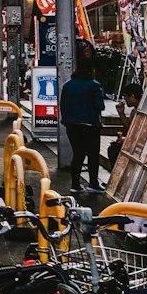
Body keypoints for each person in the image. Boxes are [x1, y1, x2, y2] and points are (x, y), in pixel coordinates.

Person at [60, 48, 106, 193]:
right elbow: (100, 106)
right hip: (90, 125)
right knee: (93, 155)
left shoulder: (68, 85)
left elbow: (63, 104)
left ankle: (75, 184)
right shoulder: (94, 85)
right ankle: (93, 184)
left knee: (78, 154)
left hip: (72, 125)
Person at [107, 82, 141, 167]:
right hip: (134, 141)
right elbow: (130, 127)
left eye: (125, 96)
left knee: (115, 150)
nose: (124, 99)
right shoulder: (134, 111)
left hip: (139, 143)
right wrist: (121, 113)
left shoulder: (142, 111)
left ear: (132, 96)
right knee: (113, 148)